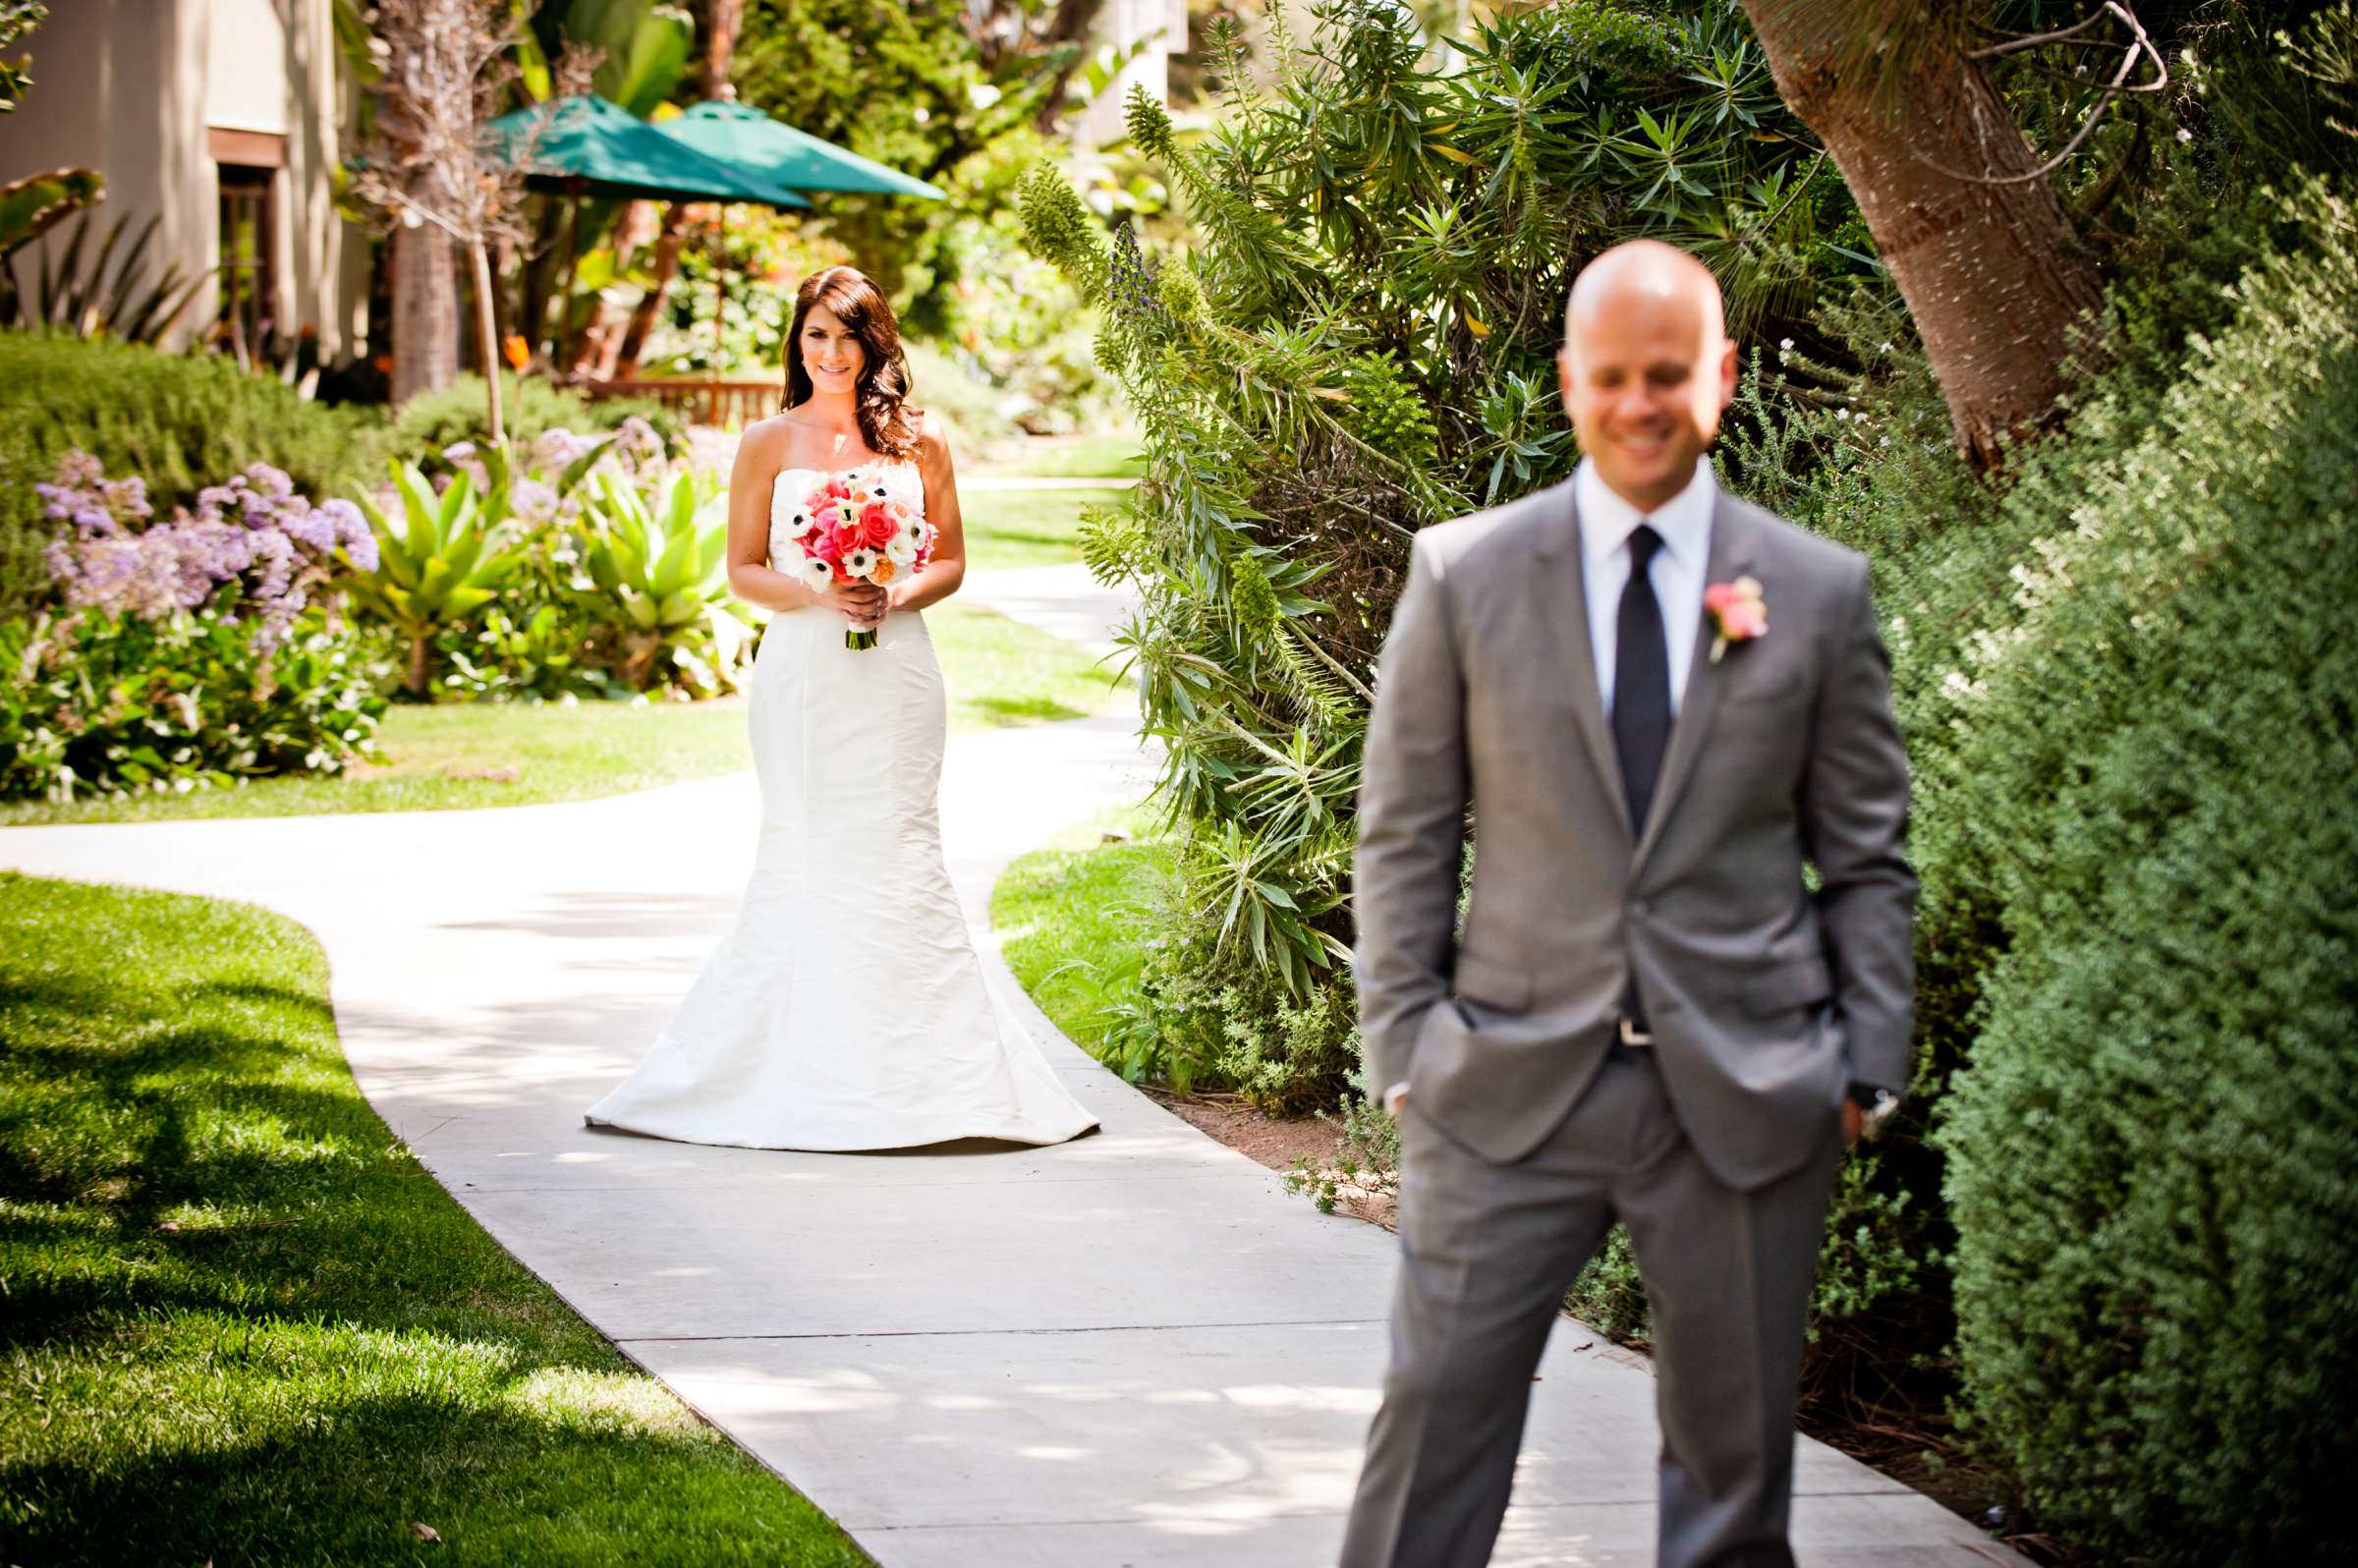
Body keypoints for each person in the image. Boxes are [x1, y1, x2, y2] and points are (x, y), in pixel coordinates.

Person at [1339, 239, 1916, 1568]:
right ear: (1568, 384)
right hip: (1502, 1090)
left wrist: (1861, 1067)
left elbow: (1870, 856)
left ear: (1718, 376)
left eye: (1669, 374)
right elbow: (1405, 836)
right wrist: (1406, 1052)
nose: (1640, 403)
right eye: (1612, 377)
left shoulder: (1817, 591)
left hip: (1751, 1094)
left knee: (1732, 1482)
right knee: (1430, 1439)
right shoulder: (1464, 576)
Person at [584, 265, 1097, 1151]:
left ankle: (939, 1081)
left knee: (901, 846)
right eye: (815, 335)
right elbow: (743, 568)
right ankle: (784, 1072)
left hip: (895, 673)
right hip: (804, 672)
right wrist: (822, 592)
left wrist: (891, 593)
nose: (831, 353)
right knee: (806, 846)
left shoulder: (919, 442)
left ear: (875, 342)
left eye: (847, 335)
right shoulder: (765, 442)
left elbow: (952, 560)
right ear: (797, 342)